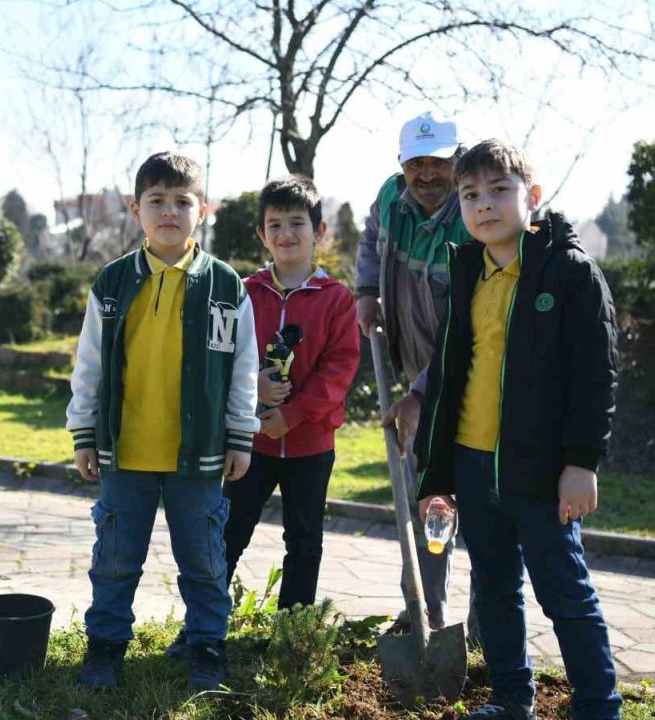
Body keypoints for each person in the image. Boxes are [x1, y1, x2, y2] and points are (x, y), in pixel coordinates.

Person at [416, 139, 621, 720]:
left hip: (541, 471)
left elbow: (596, 375)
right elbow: (447, 378)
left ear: (532, 196)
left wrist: (582, 463)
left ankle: (599, 707)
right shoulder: (464, 273)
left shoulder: (570, 271)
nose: (484, 204)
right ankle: (510, 699)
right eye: (470, 193)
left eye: (498, 190)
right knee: (495, 590)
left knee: (566, 593)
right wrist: (438, 474)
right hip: (474, 465)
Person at [66, 151, 260, 692]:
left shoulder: (225, 286)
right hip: (124, 452)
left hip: (197, 457)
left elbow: (243, 367)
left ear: (206, 210)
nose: (169, 211)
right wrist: (84, 432)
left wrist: (241, 433)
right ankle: (105, 648)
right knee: (114, 561)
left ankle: (206, 648)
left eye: (182, 201)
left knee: (203, 562)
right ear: (135, 209)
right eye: (157, 201)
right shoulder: (111, 283)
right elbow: (90, 363)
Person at [356, 111, 476, 634]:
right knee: (431, 501)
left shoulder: (472, 213)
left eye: (438, 163)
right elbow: (368, 241)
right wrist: (366, 292)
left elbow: (469, 326)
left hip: (472, 378)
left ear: (456, 161)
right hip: (416, 374)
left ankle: (488, 625)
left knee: (480, 505)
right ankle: (428, 610)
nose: (427, 175)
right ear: (401, 164)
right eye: (416, 163)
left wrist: (423, 394)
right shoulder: (390, 197)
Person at [224, 175, 360, 607]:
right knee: (228, 528)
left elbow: (338, 369)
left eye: (297, 223)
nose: (286, 234)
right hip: (251, 441)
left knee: (304, 538)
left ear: (318, 232)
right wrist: (252, 388)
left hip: (311, 444)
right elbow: (225, 357)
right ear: (262, 234)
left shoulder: (336, 298)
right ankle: (203, 622)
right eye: (275, 224)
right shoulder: (244, 293)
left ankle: (293, 631)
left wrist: (293, 414)